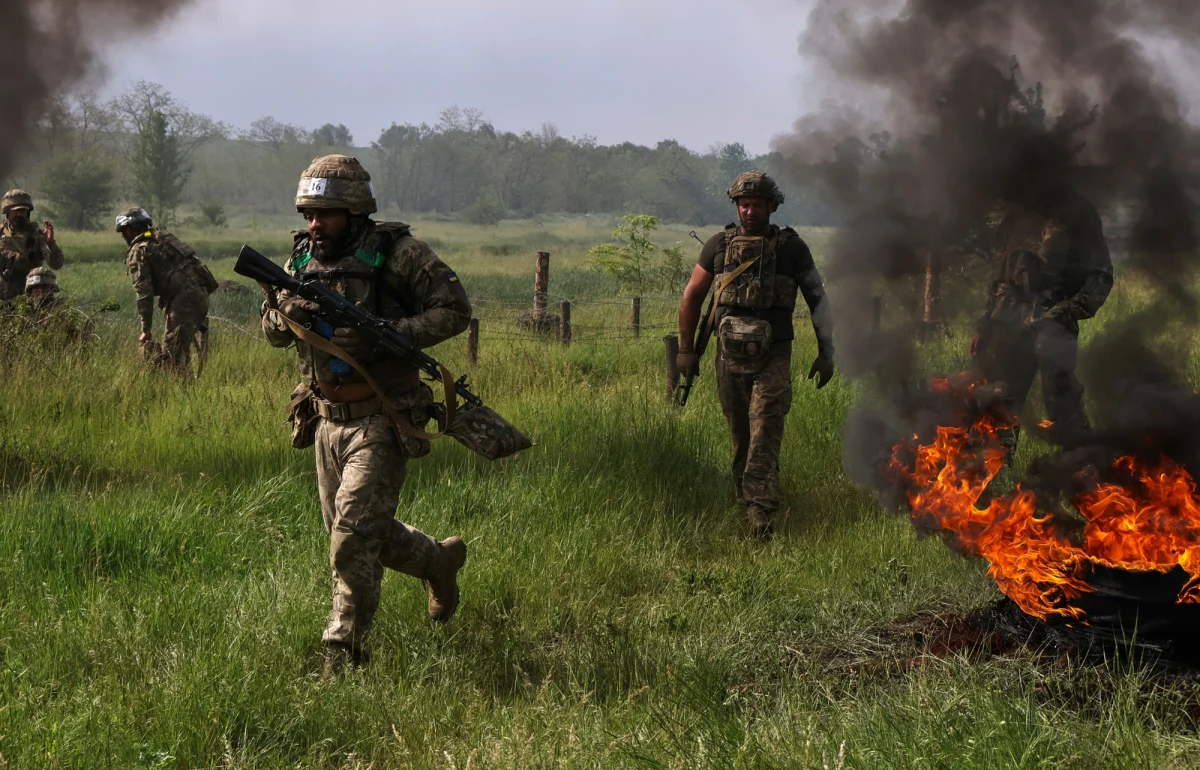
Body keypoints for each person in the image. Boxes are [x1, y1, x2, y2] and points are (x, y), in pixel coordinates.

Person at [259, 155, 471, 675]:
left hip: (383, 415)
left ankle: (343, 654)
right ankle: (439, 561)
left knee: (353, 537)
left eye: (326, 215)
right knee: (355, 531)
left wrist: (389, 335)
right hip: (324, 419)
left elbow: (454, 309)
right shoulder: (302, 257)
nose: (315, 224)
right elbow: (270, 331)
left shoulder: (400, 253)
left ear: (355, 213)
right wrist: (284, 317)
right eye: (309, 214)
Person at [676, 171, 835, 540]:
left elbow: (818, 301)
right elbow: (692, 297)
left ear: (772, 206)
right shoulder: (718, 246)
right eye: (744, 204)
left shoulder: (792, 249)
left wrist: (826, 352)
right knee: (740, 430)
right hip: (727, 354)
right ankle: (744, 494)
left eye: (757, 204)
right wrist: (686, 351)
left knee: (765, 426)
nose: (749, 211)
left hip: (774, 354)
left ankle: (760, 510)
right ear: (736, 206)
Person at [971, 186, 1113, 456]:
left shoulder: (1078, 213)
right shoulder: (1016, 212)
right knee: (1000, 402)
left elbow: (1101, 276)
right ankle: (992, 472)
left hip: (1053, 325)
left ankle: (1084, 468)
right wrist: (985, 324)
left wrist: (1065, 312)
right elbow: (999, 276)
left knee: (1062, 402)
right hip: (1008, 322)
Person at [116, 207, 215, 377]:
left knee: (173, 351)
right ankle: (186, 386)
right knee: (179, 349)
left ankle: (184, 390)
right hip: (199, 294)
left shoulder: (139, 250)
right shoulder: (161, 239)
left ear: (129, 230)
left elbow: (144, 293)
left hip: (185, 300)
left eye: (123, 232)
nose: (122, 236)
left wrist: (146, 329)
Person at [0, 189, 64, 301]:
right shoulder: (1, 232)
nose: (19, 214)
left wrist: (50, 243)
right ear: (7, 212)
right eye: (15, 211)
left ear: (28, 213)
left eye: (22, 211)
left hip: (29, 296)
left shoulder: (35, 234)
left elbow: (56, 264)